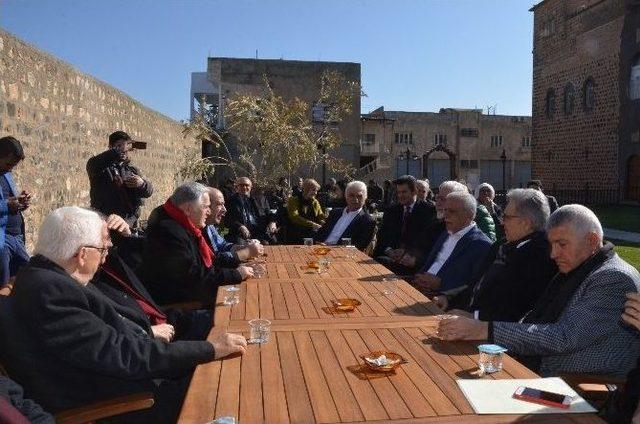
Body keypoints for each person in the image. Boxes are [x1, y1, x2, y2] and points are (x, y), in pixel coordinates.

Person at [0, 206, 246, 423]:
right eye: (103, 247)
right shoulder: (51, 292)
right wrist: (209, 348)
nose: (107, 253)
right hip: (124, 403)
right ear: (83, 254)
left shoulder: (49, 277)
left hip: (128, 381)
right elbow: (125, 354)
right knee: (230, 389)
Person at [437, 205, 640, 378]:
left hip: (574, 384)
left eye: (561, 244)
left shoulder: (613, 278)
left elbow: (564, 337)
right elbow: (535, 319)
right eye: (551, 244)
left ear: (592, 241)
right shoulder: (581, 267)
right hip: (537, 367)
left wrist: (482, 329)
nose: (553, 254)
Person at [433, 188, 557, 321]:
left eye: (506, 217)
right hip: (465, 320)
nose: (502, 222)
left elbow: (520, 307)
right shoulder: (501, 245)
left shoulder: (541, 255)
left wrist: (475, 317)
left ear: (525, 223)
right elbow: (476, 284)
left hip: (488, 332)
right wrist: (448, 298)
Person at [93, 214, 214, 342]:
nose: (109, 244)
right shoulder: (83, 286)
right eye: (104, 240)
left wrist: (127, 236)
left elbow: (140, 263)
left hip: (166, 318)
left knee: (221, 320)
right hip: (151, 340)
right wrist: (148, 332)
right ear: (81, 253)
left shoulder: (110, 260)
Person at [140, 182, 251, 305]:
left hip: (195, 294)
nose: (209, 212)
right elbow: (194, 279)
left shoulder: (183, 222)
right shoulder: (168, 232)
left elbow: (206, 262)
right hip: (182, 306)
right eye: (206, 207)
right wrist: (236, 274)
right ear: (188, 208)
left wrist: (237, 265)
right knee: (246, 304)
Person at [413, 191, 492, 294]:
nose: (445, 215)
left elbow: (476, 285)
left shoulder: (482, 245)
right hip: (419, 289)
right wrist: (420, 276)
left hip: (441, 300)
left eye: (452, 211)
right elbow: (429, 264)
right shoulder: (446, 233)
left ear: (470, 214)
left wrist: (441, 285)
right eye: (445, 210)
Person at [373, 175, 441, 276]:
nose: (400, 195)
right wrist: (389, 251)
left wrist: (406, 251)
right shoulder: (391, 210)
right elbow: (382, 236)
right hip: (388, 258)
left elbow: (428, 241)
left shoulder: (429, 211)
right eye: (398, 192)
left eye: (404, 192)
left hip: (412, 263)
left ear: (414, 192)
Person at [86, 131, 153, 227]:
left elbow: (148, 192)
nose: (123, 150)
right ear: (110, 147)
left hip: (128, 224)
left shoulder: (131, 170)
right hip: (105, 224)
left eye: (125, 147)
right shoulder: (100, 168)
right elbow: (93, 165)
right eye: (119, 146)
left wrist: (142, 184)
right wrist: (115, 153)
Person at [204, 187, 264, 269]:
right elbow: (212, 262)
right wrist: (245, 253)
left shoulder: (209, 226)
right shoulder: (193, 231)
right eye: (219, 204)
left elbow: (222, 245)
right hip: (236, 233)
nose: (224, 209)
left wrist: (243, 247)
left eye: (223, 204)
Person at [0, 136, 30, 287]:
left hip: (17, 237)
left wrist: (21, 203)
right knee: (4, 284)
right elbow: (5, 204)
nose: (10, 168)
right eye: (8, 163)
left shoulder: (6, 174)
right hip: (3, 240)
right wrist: (7, 206)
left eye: (13, 165)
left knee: (28, 276)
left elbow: (10, 201)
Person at [314, 181, 376, 251]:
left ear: (365, 198)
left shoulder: (367, 221)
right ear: (346, 196)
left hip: (340, 255)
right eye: (351, 195)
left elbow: (359, 246)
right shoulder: (335, 213)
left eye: (359, 196)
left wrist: (330, 247)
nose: (355, 199)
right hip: (319, 249)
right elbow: (321, 232)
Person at [224, 177, 277, 244]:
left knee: (272, 241)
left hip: (260, 231)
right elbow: (227, 219)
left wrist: (272, 222)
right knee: (241, 245)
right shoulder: (231, 201)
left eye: (247, 185)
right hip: (241, 234)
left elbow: (270, 213)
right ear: (236, 187)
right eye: (241, 185)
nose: (244, 187)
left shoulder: (260, 199)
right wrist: (240, 226)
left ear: (251, 187)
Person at [286, 178, 325, 243]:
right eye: (313, 190)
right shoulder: (293, 200)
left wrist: (325, 221)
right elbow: (294, 217)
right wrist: (313, 224)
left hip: (312, 234)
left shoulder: (315, 202)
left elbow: (320, 216)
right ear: (306, 189)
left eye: (316, 191)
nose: (316, 193)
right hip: (296, 234)